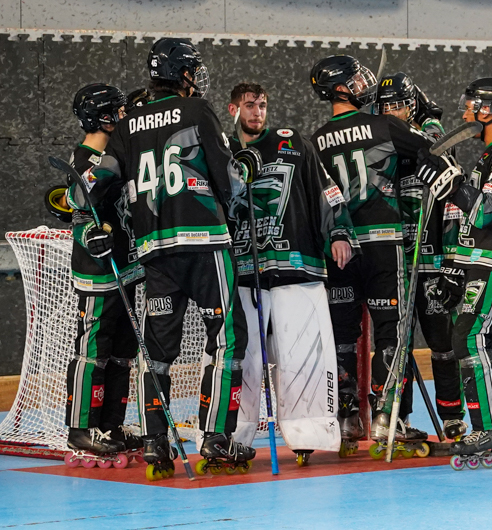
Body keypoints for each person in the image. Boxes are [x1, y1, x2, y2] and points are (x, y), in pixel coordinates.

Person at [69, 38, 257, 478]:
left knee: (155, 352)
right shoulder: (197, 110)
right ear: (182, 73)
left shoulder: (127, 125)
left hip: (155, 253)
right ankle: (216, 436)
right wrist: (243, 188)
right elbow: (229, 180)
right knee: (227, 339)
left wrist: (84, 214)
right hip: (205, 245)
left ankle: (155, 441)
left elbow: (85, 191)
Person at [227, 83, 357, 466]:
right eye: (249, 105)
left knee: (303, 353)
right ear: (234, 109)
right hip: (243, 270)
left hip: (298, 265)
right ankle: (232, 435)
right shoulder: (224, 151)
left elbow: (326, 189)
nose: (257, 112)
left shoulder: (294, 142)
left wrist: (339, 232)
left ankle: (307, 432)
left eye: (262, 105)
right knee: (244, 358)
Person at [309, 55, 433, 456]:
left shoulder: (315, 141)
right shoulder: (384, 125)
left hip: (338, 251)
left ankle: (347, 418)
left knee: (342, 336)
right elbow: (428, 150)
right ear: (340, 88)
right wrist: (427, 120)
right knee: (391, 332)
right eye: (356, 79)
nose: (365, 84)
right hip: (382, 244)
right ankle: (386, 418)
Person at [416, 77, 492, 467]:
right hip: (489, 257)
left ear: (489, 110)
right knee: (482, 339)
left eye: (471, 106)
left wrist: (450, 183)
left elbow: (485, 212)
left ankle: (489, 428)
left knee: (471, 337)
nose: (466, 112)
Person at [375, 72, 467, 440]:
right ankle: (398, 417)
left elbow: (446, 157)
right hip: (395, 263)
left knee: (443, 346)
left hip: (431, 263)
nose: (392, 112)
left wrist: (452, 262)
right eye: (385, 107)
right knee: (398, 348)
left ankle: (451, 415)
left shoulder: (424, 140)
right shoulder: (381, 149)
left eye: (398, 105)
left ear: (411, 107)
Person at [59, 83, 143, 463]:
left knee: (122, 354)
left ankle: (111, 425)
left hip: (126, 269)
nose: (125, 117)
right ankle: (81, 428)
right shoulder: (86, 159)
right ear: (105, 117)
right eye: (120, 111)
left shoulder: (116, 153)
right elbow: (78, 207)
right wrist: (87, 233)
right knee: (93, 350)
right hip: (98, 273)